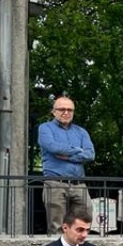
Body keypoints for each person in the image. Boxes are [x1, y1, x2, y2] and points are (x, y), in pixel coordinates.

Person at [39, 96, 95, 233]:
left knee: (83, 223)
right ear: (54, 111)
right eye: (62, 109)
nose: (66, 112)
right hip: (55, 183)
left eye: (70, 110)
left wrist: (67, 156)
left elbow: (90, 154)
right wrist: (77, 151)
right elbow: (53, 147)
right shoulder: (45, 128)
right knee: (57, 226)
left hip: (79, 184)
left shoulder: (81, 132)